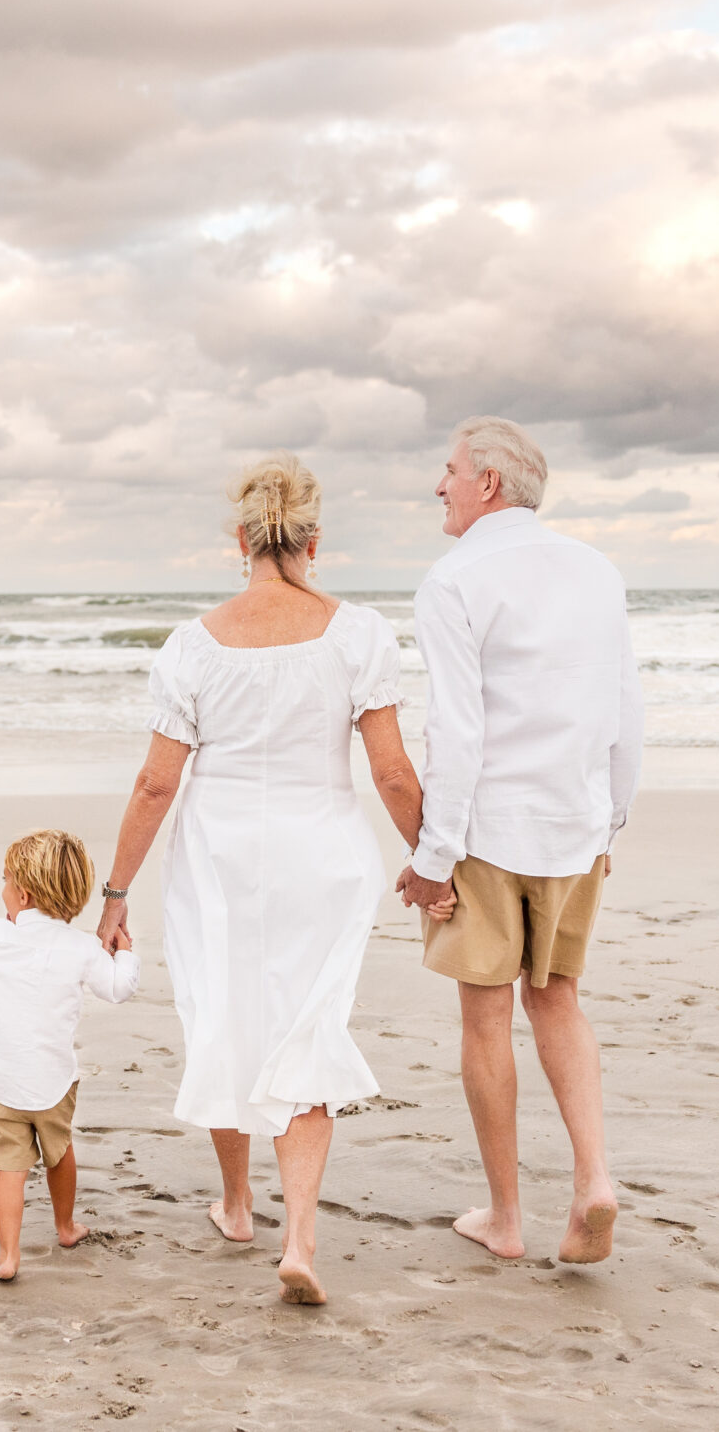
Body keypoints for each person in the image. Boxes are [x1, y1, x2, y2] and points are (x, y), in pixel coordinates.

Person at [94, 454, 429, 1307]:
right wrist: (432, 858)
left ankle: (238, 1207)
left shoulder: (193, 645)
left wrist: (116, 891)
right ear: (315, 541)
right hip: (324, 854)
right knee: (306, 1024)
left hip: (221, 860)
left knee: (226, 1017)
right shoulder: (359, 633)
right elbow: (391, 773)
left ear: (241, 540)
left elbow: (154, 785)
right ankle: (302, 1238)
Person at [394, 416, 642, 1267]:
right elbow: (624, 708)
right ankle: (594, 1179)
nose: (441, 485)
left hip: (489, 829)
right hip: (575, 822)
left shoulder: (454, 579)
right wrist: (612, 816)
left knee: (486, 1018)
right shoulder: (596, 569)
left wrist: (432, 860)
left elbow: (456, 733)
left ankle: (506, 1218)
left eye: (450, 470)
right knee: (560, 998)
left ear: (488, 483)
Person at [0, 828, 139, 1282]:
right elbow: (120, 989)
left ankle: (8, 1257)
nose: (1, 888)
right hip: (52, 1084)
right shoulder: (82, 948)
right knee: (59, 1153)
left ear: (21, 894)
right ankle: (65, 1227)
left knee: (10, 1168)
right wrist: (125, 951)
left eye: (5, 880)